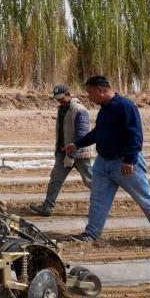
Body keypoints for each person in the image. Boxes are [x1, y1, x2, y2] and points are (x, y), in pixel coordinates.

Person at [64, 75, 150, 249]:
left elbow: (136, 135)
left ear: (100, 90)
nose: (89, 98)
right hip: (103, 163)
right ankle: (91, 234)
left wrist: (130, 161)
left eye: (90, 93)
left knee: (144, 199)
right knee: (98, 199)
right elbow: (97, 132)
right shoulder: (104, 109)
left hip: (124, 163)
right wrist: (77, 143)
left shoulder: (125, 106)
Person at [29, 84, 93, 216]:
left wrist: (72, 155)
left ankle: (100, 207)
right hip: (64, 151)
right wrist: (60, 151)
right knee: (55, 178)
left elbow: (82, 135)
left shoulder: (79, 110)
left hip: (80, 154)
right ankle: (48, 207)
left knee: (90, 181)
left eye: (62, 98)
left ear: (68, 95)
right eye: (57, 99)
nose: (59, 101)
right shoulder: (62, 109)